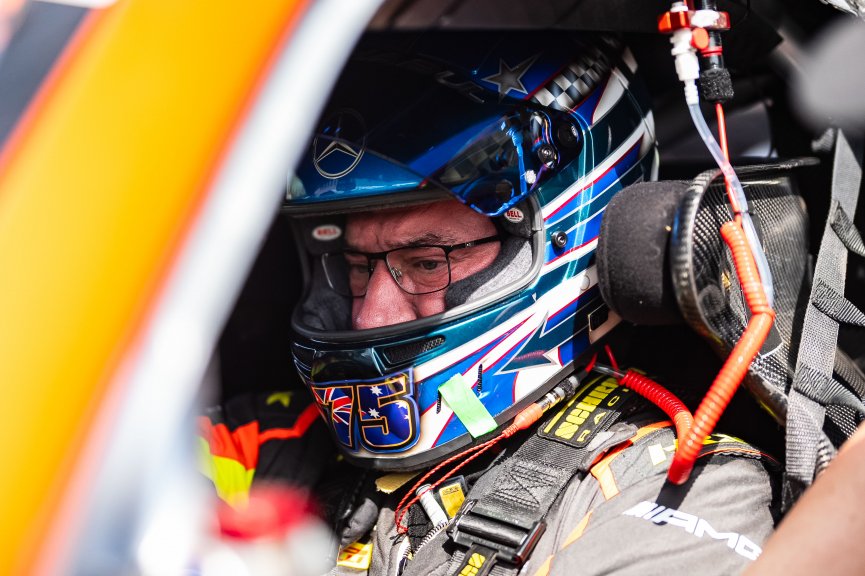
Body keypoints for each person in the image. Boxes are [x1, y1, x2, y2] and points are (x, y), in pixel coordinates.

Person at [199, 31, 781, 575]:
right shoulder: (267, 439)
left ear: (567, 234)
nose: (369, 316)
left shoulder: (675, 487)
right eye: (355, 267)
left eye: (427, 263)